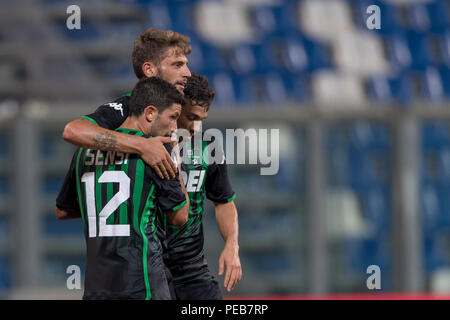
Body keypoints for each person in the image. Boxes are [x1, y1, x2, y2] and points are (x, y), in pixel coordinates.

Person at [56, 77, 189, 300]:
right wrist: (175, 156)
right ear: (150, 113)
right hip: (143, 287)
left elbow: (63, 210)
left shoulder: (83, 153)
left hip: (97, 291)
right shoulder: (157, 153)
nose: (175, 128)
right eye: (173, 118)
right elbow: (180, 216)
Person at [62, 29, 192, 180]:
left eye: (185, 65)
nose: (187, 73)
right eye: (177, 65)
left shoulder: (184, 113)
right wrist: (142, 145)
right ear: (149, 69)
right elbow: (73, 131)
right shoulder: (128, 106)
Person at [164, 73, 242, 300]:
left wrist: (232, 244)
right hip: (153, 265)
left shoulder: (209, 146)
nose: (196, 126)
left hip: (192, 267)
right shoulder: (149, 146)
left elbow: (224, 202)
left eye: (202, 120)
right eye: (190, 117)